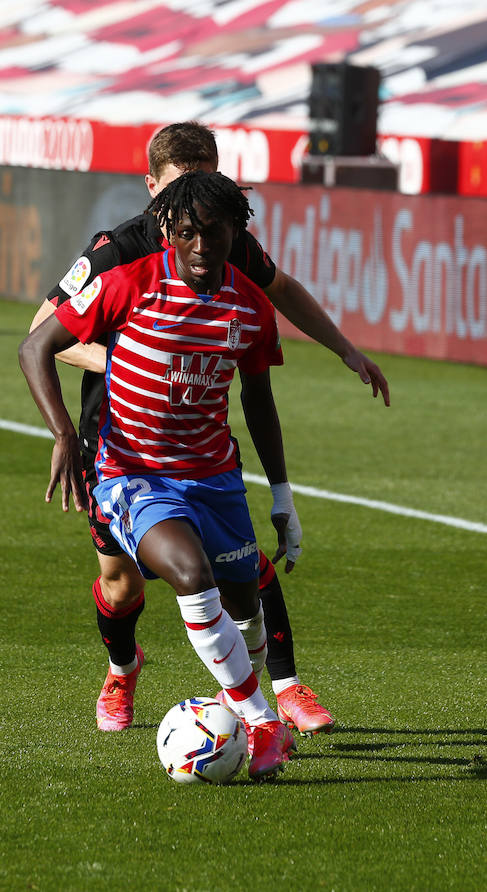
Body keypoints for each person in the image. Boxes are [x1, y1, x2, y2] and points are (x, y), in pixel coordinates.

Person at [27, 122, 389, 735]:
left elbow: (282, 293)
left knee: (242, 568)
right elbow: (43, 329)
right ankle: (122, 671)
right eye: (182, 186)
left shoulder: (225, 239)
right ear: (152, 188)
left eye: (210, 180)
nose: (198, 200)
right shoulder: (117, 252)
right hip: (117, 435)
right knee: (120, 586)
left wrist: (344, 349)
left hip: (200, 450)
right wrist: (137, 357)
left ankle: (283, 689)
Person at [21, 171, 304, 780]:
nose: (202, 248)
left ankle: (252, 703)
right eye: (188, 234)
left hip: (216, 478)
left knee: (242, 599)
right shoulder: (127, 283)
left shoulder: (251, 307)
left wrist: (282, 496)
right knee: (186, 574)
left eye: (216, 234)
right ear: (170, 230)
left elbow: (259, 402)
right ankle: (261, 721)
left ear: (238, 231)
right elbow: (34, 346)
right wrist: (66, 435)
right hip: (134, 474)